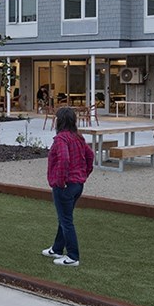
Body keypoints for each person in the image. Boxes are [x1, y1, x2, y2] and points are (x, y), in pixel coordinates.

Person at [42, 107, 94, 266]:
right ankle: (57, 248)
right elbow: (90, 155)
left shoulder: (61, 139)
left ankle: (72, 256)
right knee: (64, 217)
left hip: (65, 185)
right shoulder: (77, 137)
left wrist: (60, 181)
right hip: (77, 184)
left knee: (66, 220)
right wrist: (84, 174)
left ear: (60, 121)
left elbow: (64, 159)